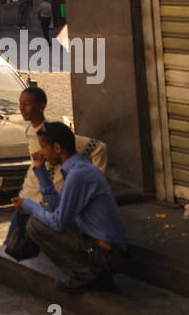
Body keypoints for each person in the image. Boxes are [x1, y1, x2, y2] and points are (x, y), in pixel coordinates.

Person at [12, 121, 128, 292]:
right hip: (97, 244)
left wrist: (28, 205)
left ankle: (85, 273)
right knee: (43, 214)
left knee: (35, 225)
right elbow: (58, 206)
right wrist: (41, 172)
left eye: (44, 147)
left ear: (57, 148)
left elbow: (60, 222)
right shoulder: (77, 169)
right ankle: (92, 273)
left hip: (106, 254)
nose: (41, 152)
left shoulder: (78, 175)